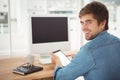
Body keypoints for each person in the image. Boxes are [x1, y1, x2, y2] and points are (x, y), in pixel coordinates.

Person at [51, 1, 120, 80]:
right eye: (82, 23)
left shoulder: (88, 51)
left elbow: (60, 78)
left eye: (89, 22)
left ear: (102, 23)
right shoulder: (117, 42)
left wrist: (57, 62)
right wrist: (81, 57)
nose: (83, 28)